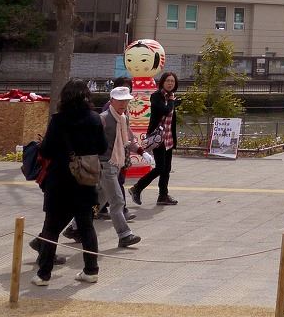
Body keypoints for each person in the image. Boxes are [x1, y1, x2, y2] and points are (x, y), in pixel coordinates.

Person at [32, 78, 105, 286]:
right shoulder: (94, 119)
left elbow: (46, 150)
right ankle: (91, 270)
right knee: (87, 226)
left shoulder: (58, 120)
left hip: (60, 182)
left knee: (51, 228)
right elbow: (102, 147)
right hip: (85, 180)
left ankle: (44, 274)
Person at [98, 86, 140, 247]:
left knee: (97, 200)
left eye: (126, 101)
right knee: (117, 201)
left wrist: (142, 152)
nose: (123, 104)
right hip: (105, 164)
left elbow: (128, 138)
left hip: (117, 163)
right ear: (111, 101)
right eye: (120, 101)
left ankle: (74, 227)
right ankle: (124, 234)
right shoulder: (103, 118)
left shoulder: (124, 118)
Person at [131, 71, 179, 206]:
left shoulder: (172, 97)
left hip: (168, 137)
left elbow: (171, 120)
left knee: (167, 168)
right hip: (157, 138)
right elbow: (164, 110)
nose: (170, 83)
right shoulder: (156, 96)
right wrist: (171, 101)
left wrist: (174, 139)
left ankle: (163, 195)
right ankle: (137, 187)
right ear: (162, 82)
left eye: (172, 81)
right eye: (168, 81)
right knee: (160, 167)